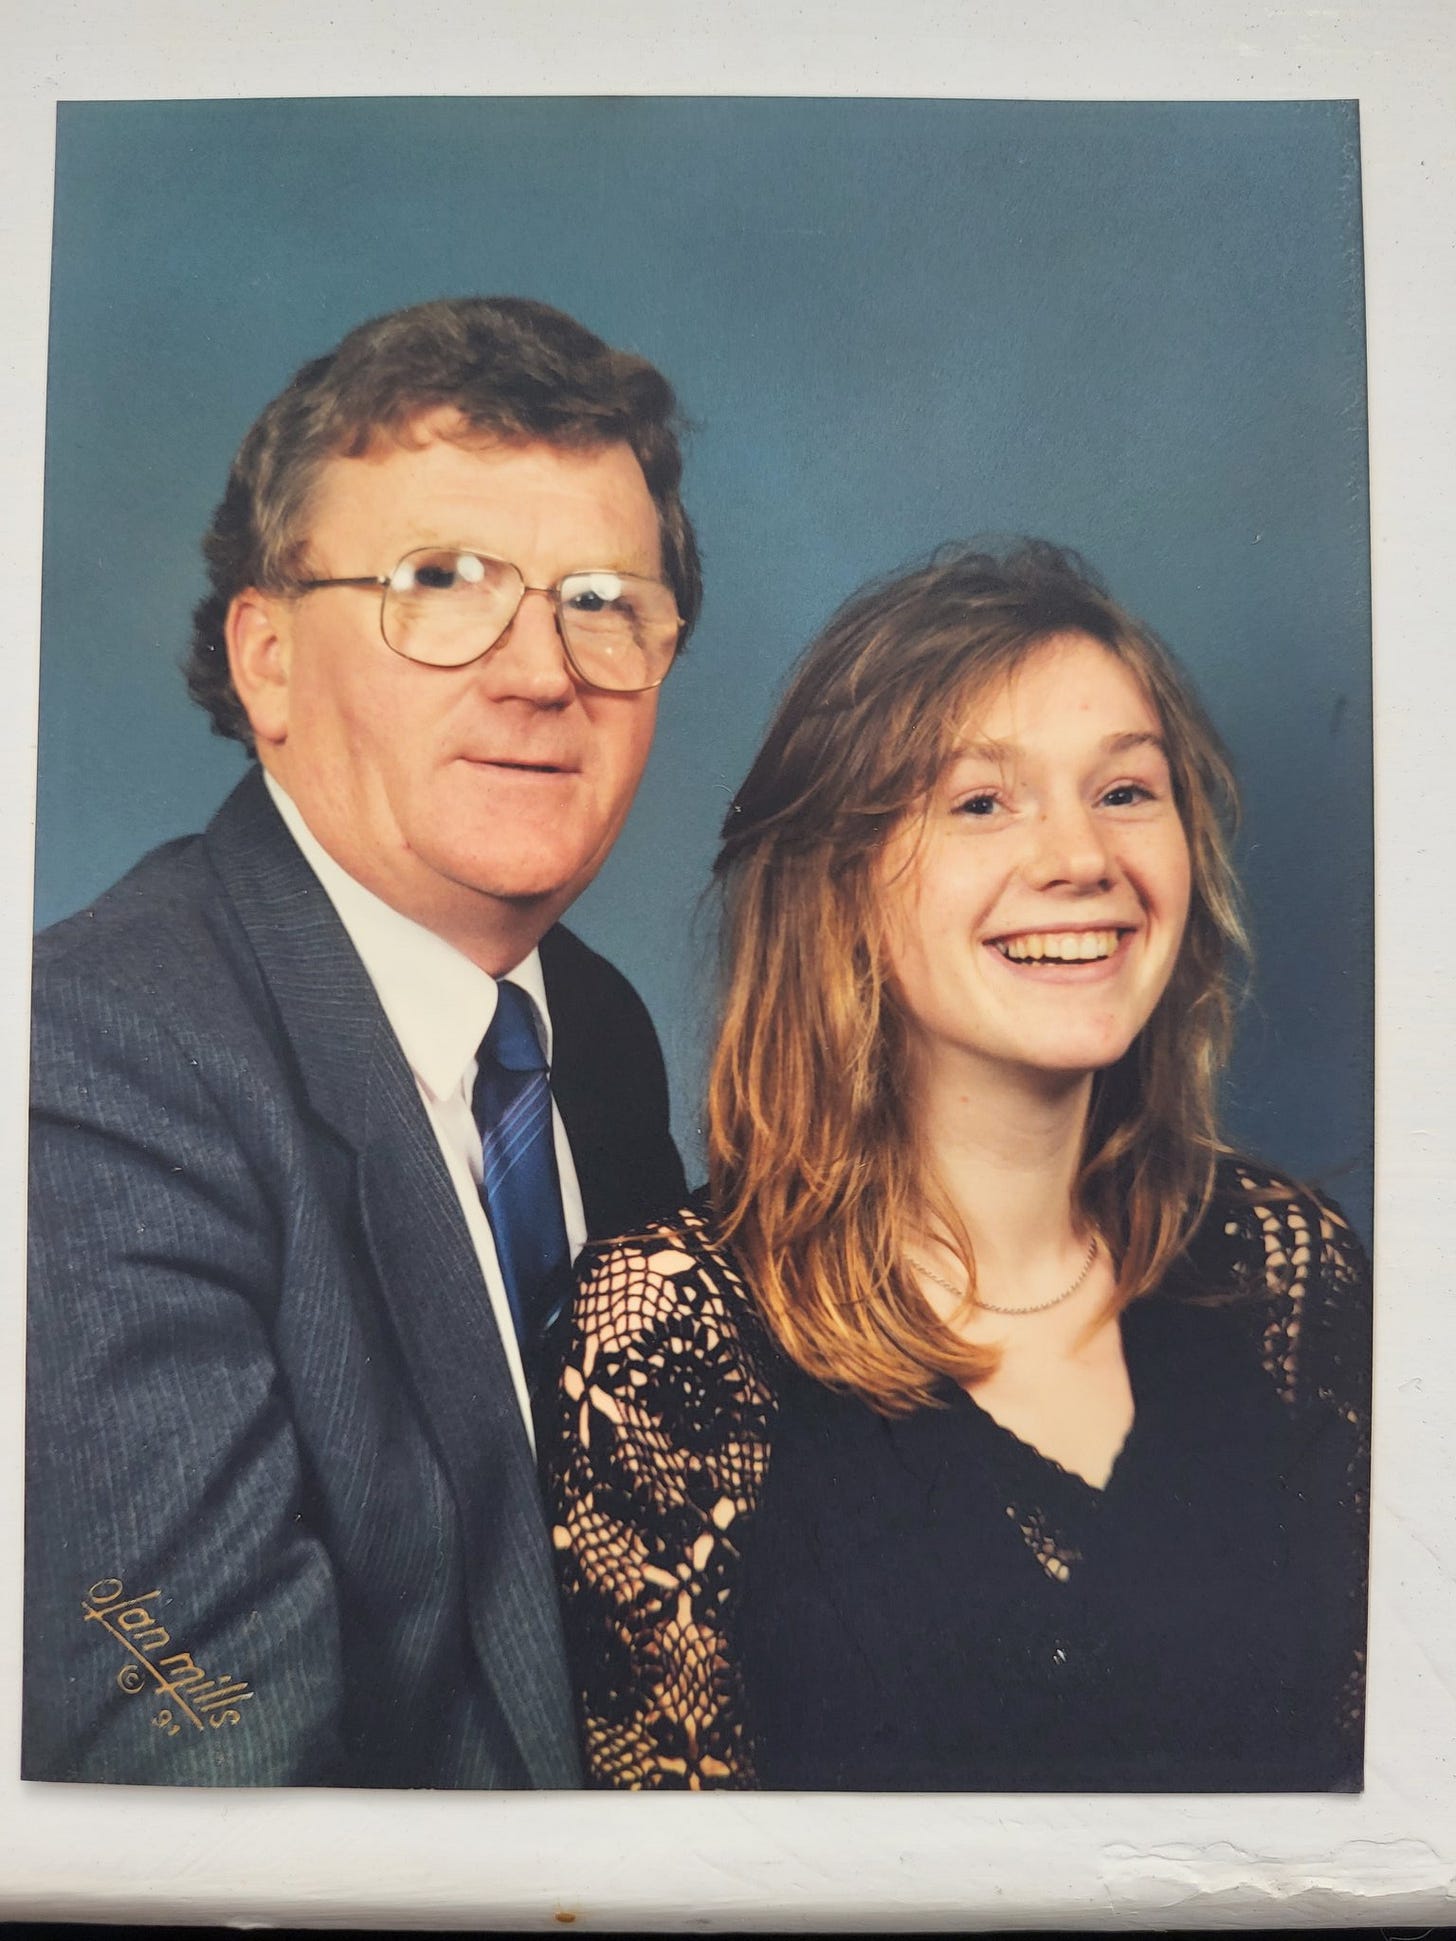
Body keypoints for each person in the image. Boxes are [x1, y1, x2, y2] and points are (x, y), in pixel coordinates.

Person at [549, 540, 1371, 1792]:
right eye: (982, 803)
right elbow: (681, 1874)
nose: (1081, 859)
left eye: (1126, 790)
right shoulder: (670, 1331)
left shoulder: (1289, 1270)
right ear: (838, 881)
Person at [25, 296, 697, 1788]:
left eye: (602, 600)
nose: (542, 673)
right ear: (266, 659)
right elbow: (205, 1786)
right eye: (441, 582)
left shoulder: (589, 1031)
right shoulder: (87, 1067)